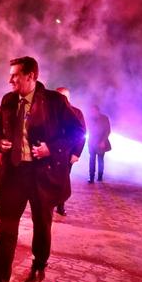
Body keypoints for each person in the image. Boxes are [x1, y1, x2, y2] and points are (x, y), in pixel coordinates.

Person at [0, 56, 84, 282]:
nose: (10, 80)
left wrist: (52, 149)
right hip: (15, 174)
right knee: (6, 229)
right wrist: (1, 140)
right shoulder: (8, 100)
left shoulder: (55, 101)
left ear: (31, 76)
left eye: (15, 75)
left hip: (42, 175)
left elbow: (77, 132)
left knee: (41, 224)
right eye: (10, 75)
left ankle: (39, 265)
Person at [54, 87, 86, 216]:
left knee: (63, 179)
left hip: (67, 153)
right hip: (51, 151)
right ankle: (48, 203)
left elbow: (82, 134)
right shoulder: (49, 112)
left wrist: (76, 153)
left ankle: (60, 205)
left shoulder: (76, 113)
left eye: (63, 97)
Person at [87, 104, 111, 183]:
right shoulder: (89, 118)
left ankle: (100, 176)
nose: (92, 112)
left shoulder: (104, 118)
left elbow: (107, 131)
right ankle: (91, 177)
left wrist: (103, 141)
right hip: (91, 142)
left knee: (100, 160)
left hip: (101, 142)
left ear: (98, 111)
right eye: (91, 111)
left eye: (94, 110)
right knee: (92, 160)